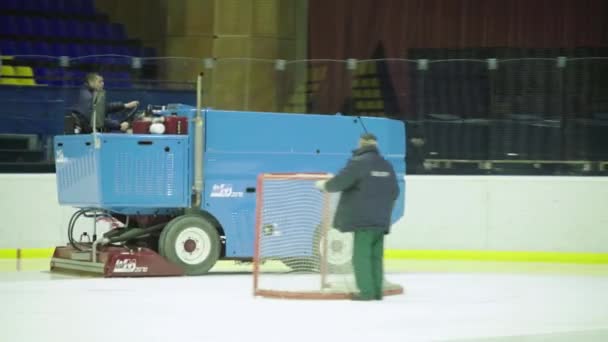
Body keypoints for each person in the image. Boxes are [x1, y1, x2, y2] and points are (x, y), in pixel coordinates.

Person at [315, 133, 399, 301]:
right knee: (376, 256)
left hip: (363, 220)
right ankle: (376, 291)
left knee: (361, 257)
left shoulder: (359, 163)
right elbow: (395, 191)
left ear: (361, 144)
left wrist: (324, 185)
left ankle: (366, 292)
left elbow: (340, 182)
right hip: (381, 219)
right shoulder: (386, 165)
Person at [69, 72, 139, 133]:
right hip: (86, 135)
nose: (103, 84)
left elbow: (105, 107)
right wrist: (119, 126)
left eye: (103, 81)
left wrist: (125, 105)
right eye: (99, 82)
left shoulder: (91, 93)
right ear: (91, 82)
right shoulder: (88, 97)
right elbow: (98, 119)